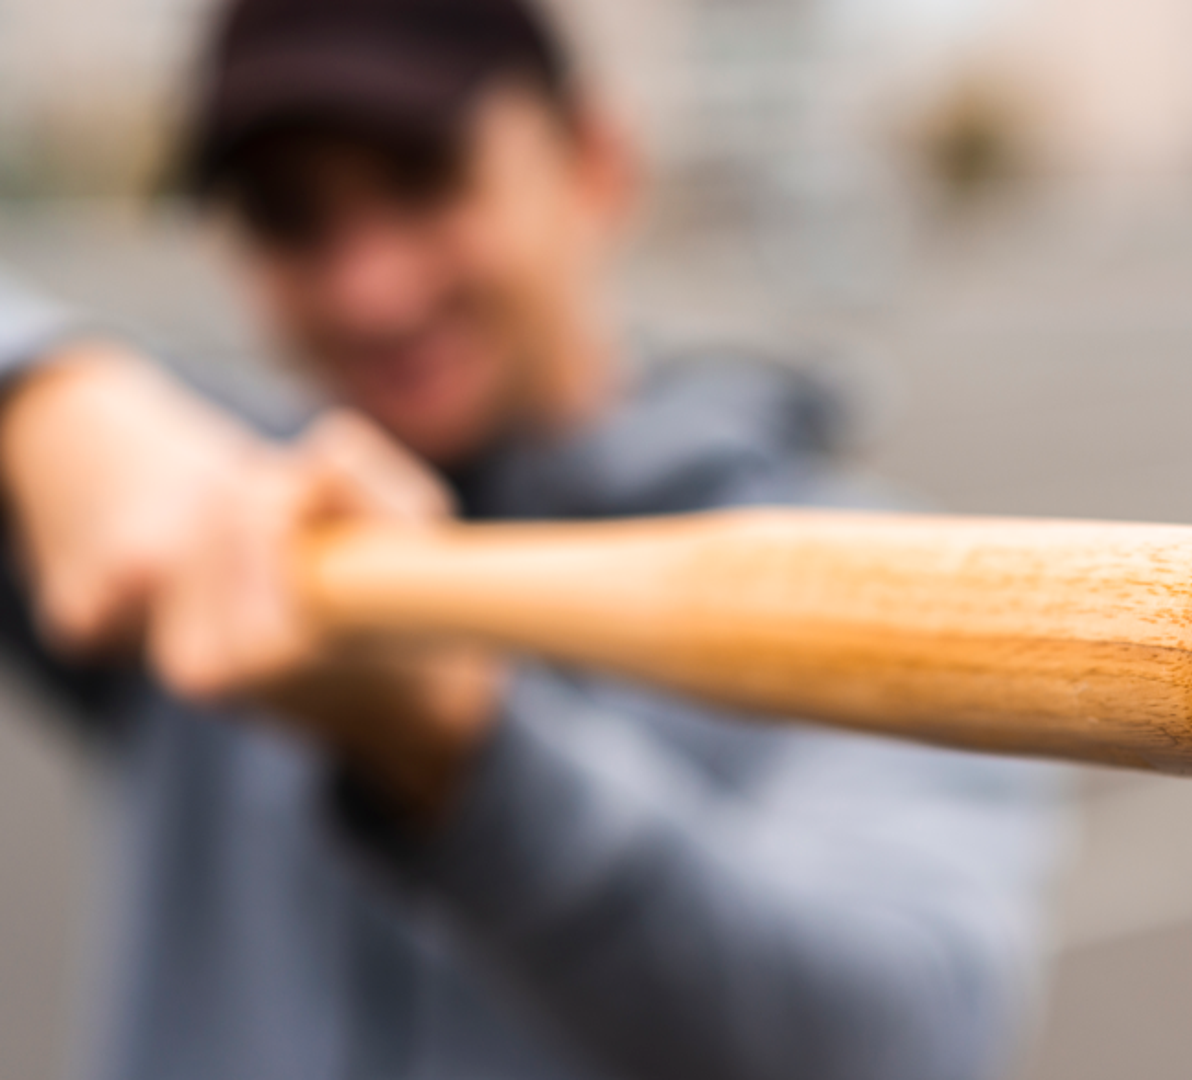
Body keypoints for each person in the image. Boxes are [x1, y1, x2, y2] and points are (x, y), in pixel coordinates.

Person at [0, 1, 1065, 1078]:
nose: (370, 288)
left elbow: (893, 1044)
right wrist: (48, 391)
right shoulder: (215, 515)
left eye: (423, 177)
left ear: (597, 160)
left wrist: (464, 744)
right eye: (289, 217)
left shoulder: (872, 577)